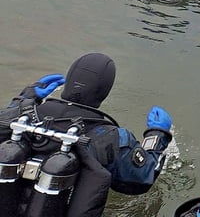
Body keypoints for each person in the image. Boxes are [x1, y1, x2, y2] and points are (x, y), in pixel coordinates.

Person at [0, 53, 174, 217]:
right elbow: (141, 179)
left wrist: (25, 97)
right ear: (104, 91)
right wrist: (158, 135)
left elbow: (6, 119)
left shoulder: (17, 117)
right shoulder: (111, 137)